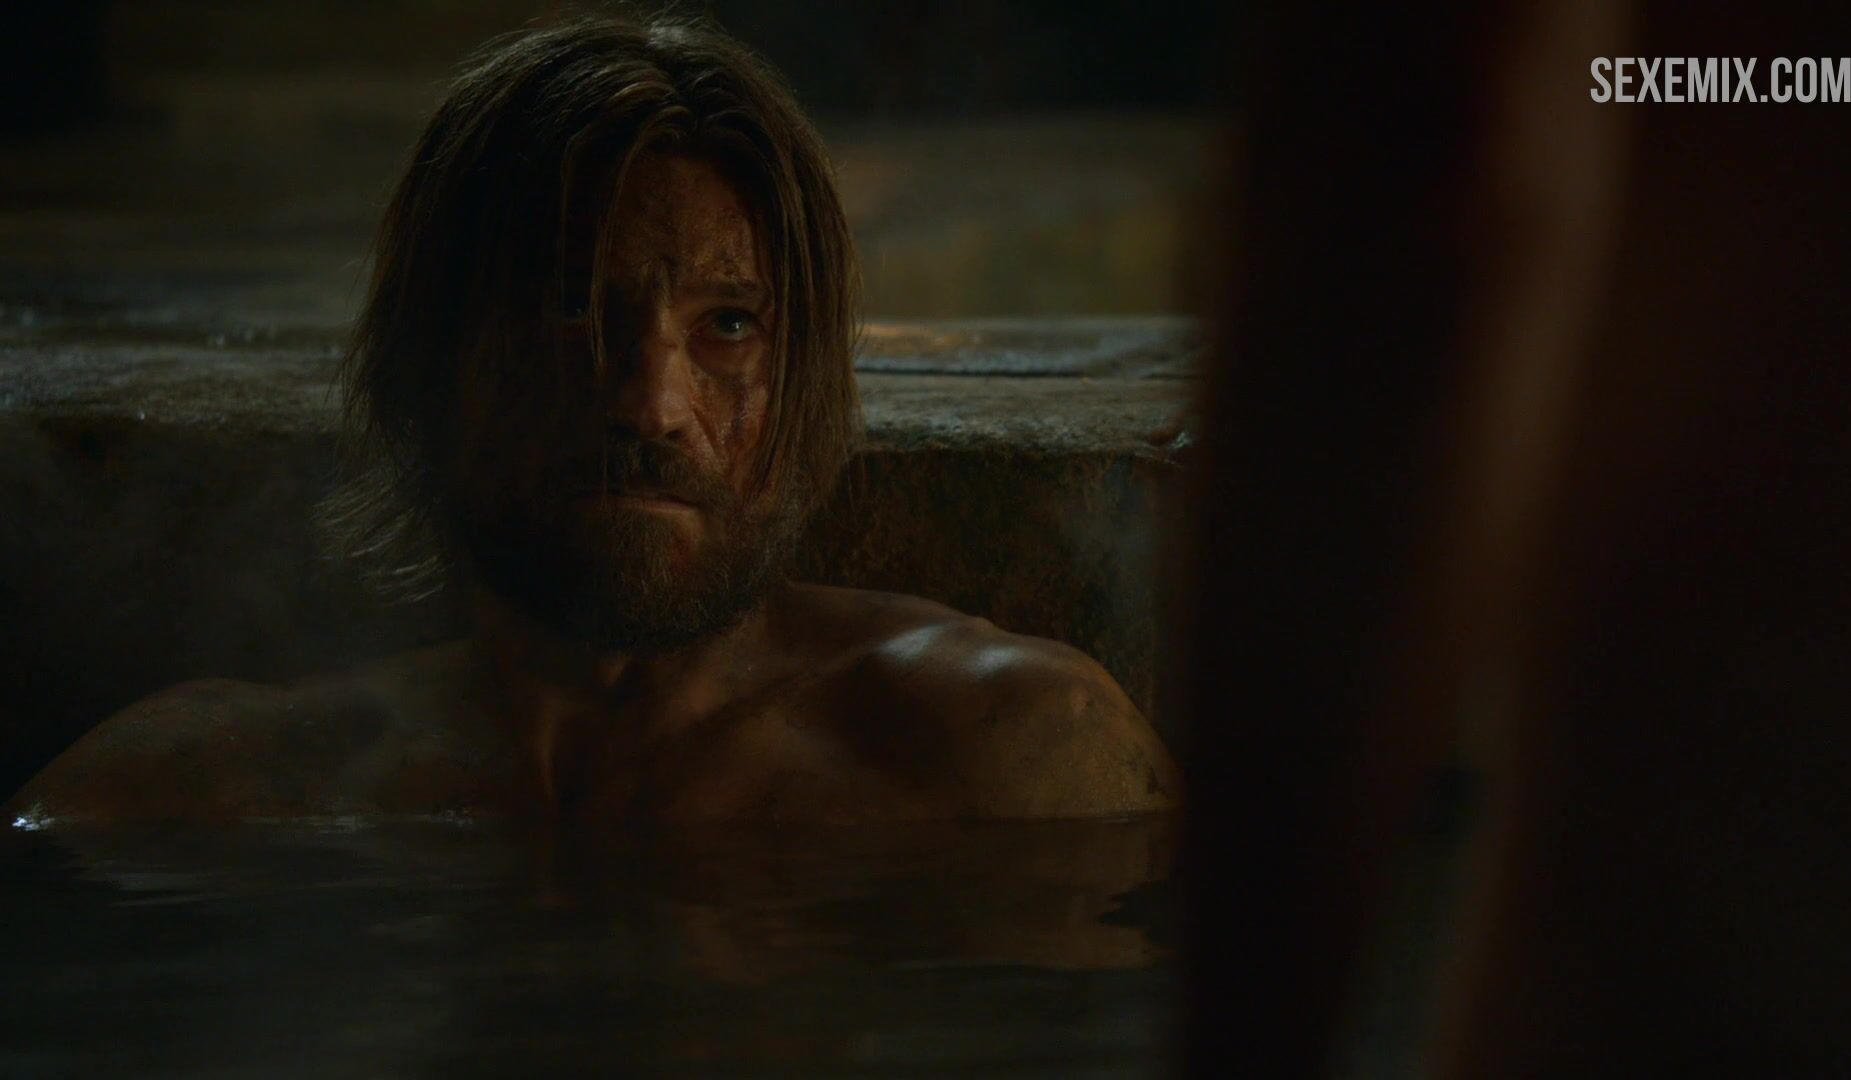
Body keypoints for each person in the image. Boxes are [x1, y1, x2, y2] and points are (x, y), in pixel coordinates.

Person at [6, 14, 1178, 826]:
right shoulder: (213, 792)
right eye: (568, 310)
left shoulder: (1016, 755)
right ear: (425, 370)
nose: (649, 406)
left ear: (807, 390)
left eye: (728, 326)